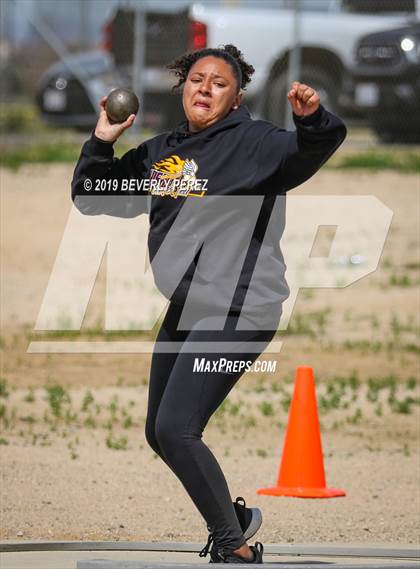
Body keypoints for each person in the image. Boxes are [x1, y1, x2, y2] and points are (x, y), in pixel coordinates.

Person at [71, 44, 347, 564]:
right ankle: (236, 519)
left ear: (237, 95)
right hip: (189, 307)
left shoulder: (256, 144)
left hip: (243, 307)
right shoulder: (161, 152)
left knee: (178, 428)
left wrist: (312, 121)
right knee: (160, 430)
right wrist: (102, 141)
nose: (205, 89)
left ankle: (235, 545)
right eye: (197, 79)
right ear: (183, 87)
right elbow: (93, 195)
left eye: (219, 83)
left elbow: (312, 150)